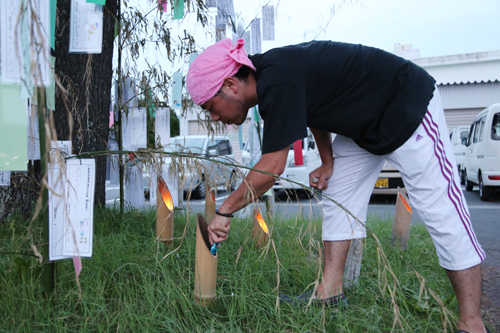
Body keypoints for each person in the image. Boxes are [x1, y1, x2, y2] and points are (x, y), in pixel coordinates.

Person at [186, 38, 488, 333]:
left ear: (230, 85)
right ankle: (329, 293)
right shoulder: (277, 76)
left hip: (406, 105)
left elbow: (272, 167)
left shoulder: (277, 81)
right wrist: (327, 159)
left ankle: (471, 322)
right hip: (363, 125)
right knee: (338, 192)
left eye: (211, 107)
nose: (214, 116)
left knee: (441, 210)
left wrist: (225, 211)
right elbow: (316, 105)